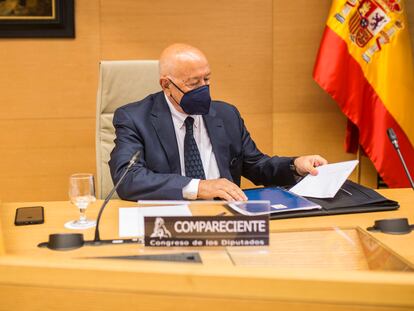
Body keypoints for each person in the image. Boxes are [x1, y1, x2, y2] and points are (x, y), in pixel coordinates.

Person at [109, 43, 327, 201]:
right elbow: (128, 179)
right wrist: (198, 187)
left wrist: (295, 165)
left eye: (207, 79)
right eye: (194, 83)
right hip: (172, 217)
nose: (204, 88)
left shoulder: (226, 114)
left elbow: (257, 166)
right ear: (166, 85)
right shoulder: (135, 118)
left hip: (228, 215)